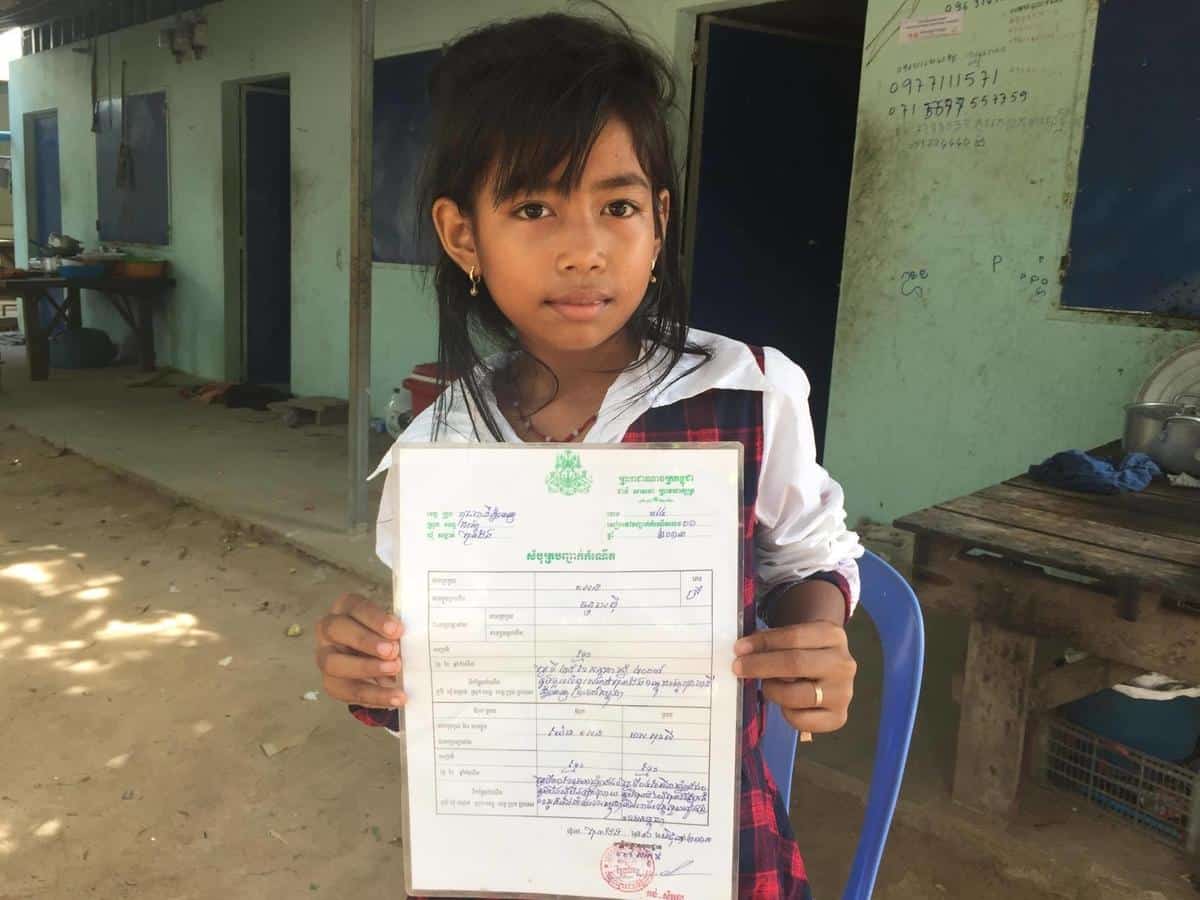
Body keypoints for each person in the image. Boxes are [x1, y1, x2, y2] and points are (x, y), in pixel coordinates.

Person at [315, 8, 863, 898]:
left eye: (617, 205)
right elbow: (448, 682)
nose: (584, 249)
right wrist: (375, 675)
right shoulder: (441, 448)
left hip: (711, 846)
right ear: (463, 237)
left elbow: (811, 555)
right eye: (534, 206)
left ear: (658, 221)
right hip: (514, 858)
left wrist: (817, 632)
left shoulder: (747, 393)